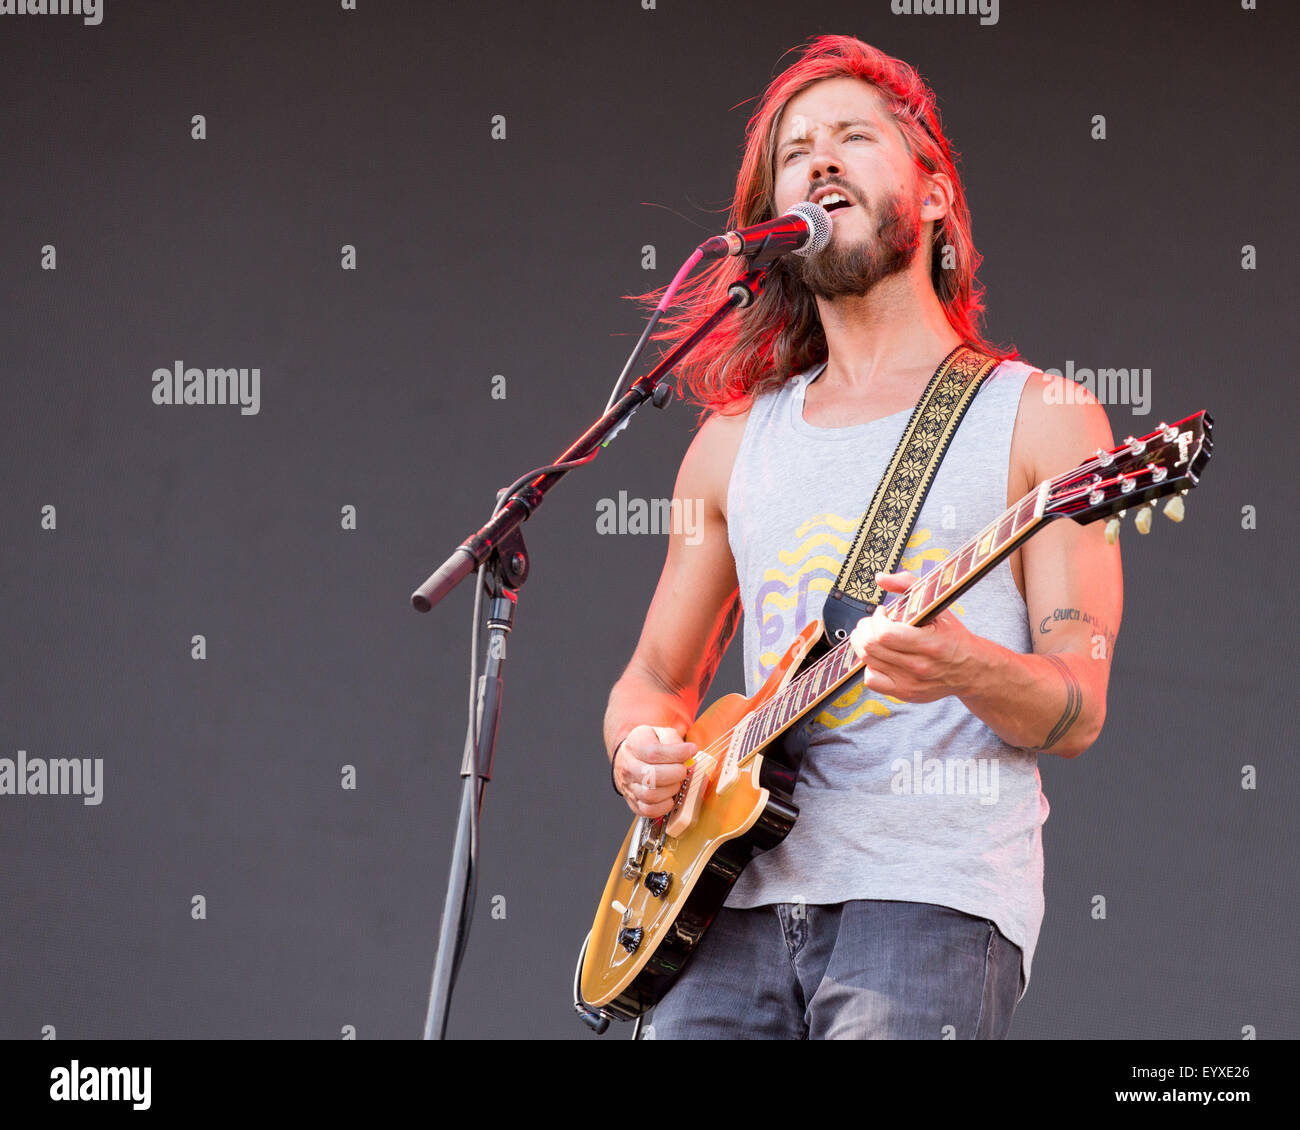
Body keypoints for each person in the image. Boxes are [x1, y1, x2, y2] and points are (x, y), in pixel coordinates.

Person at [602, 35, 1121, 1039]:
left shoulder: (1041, 416)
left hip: (926, 897)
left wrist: (965, 663)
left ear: (932, 195)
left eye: (852, 137)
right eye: (795, 151)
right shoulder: (730, 442)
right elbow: (652, 680)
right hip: (725, 906)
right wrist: (642, 751)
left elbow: (1077, 703)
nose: (820, 161)